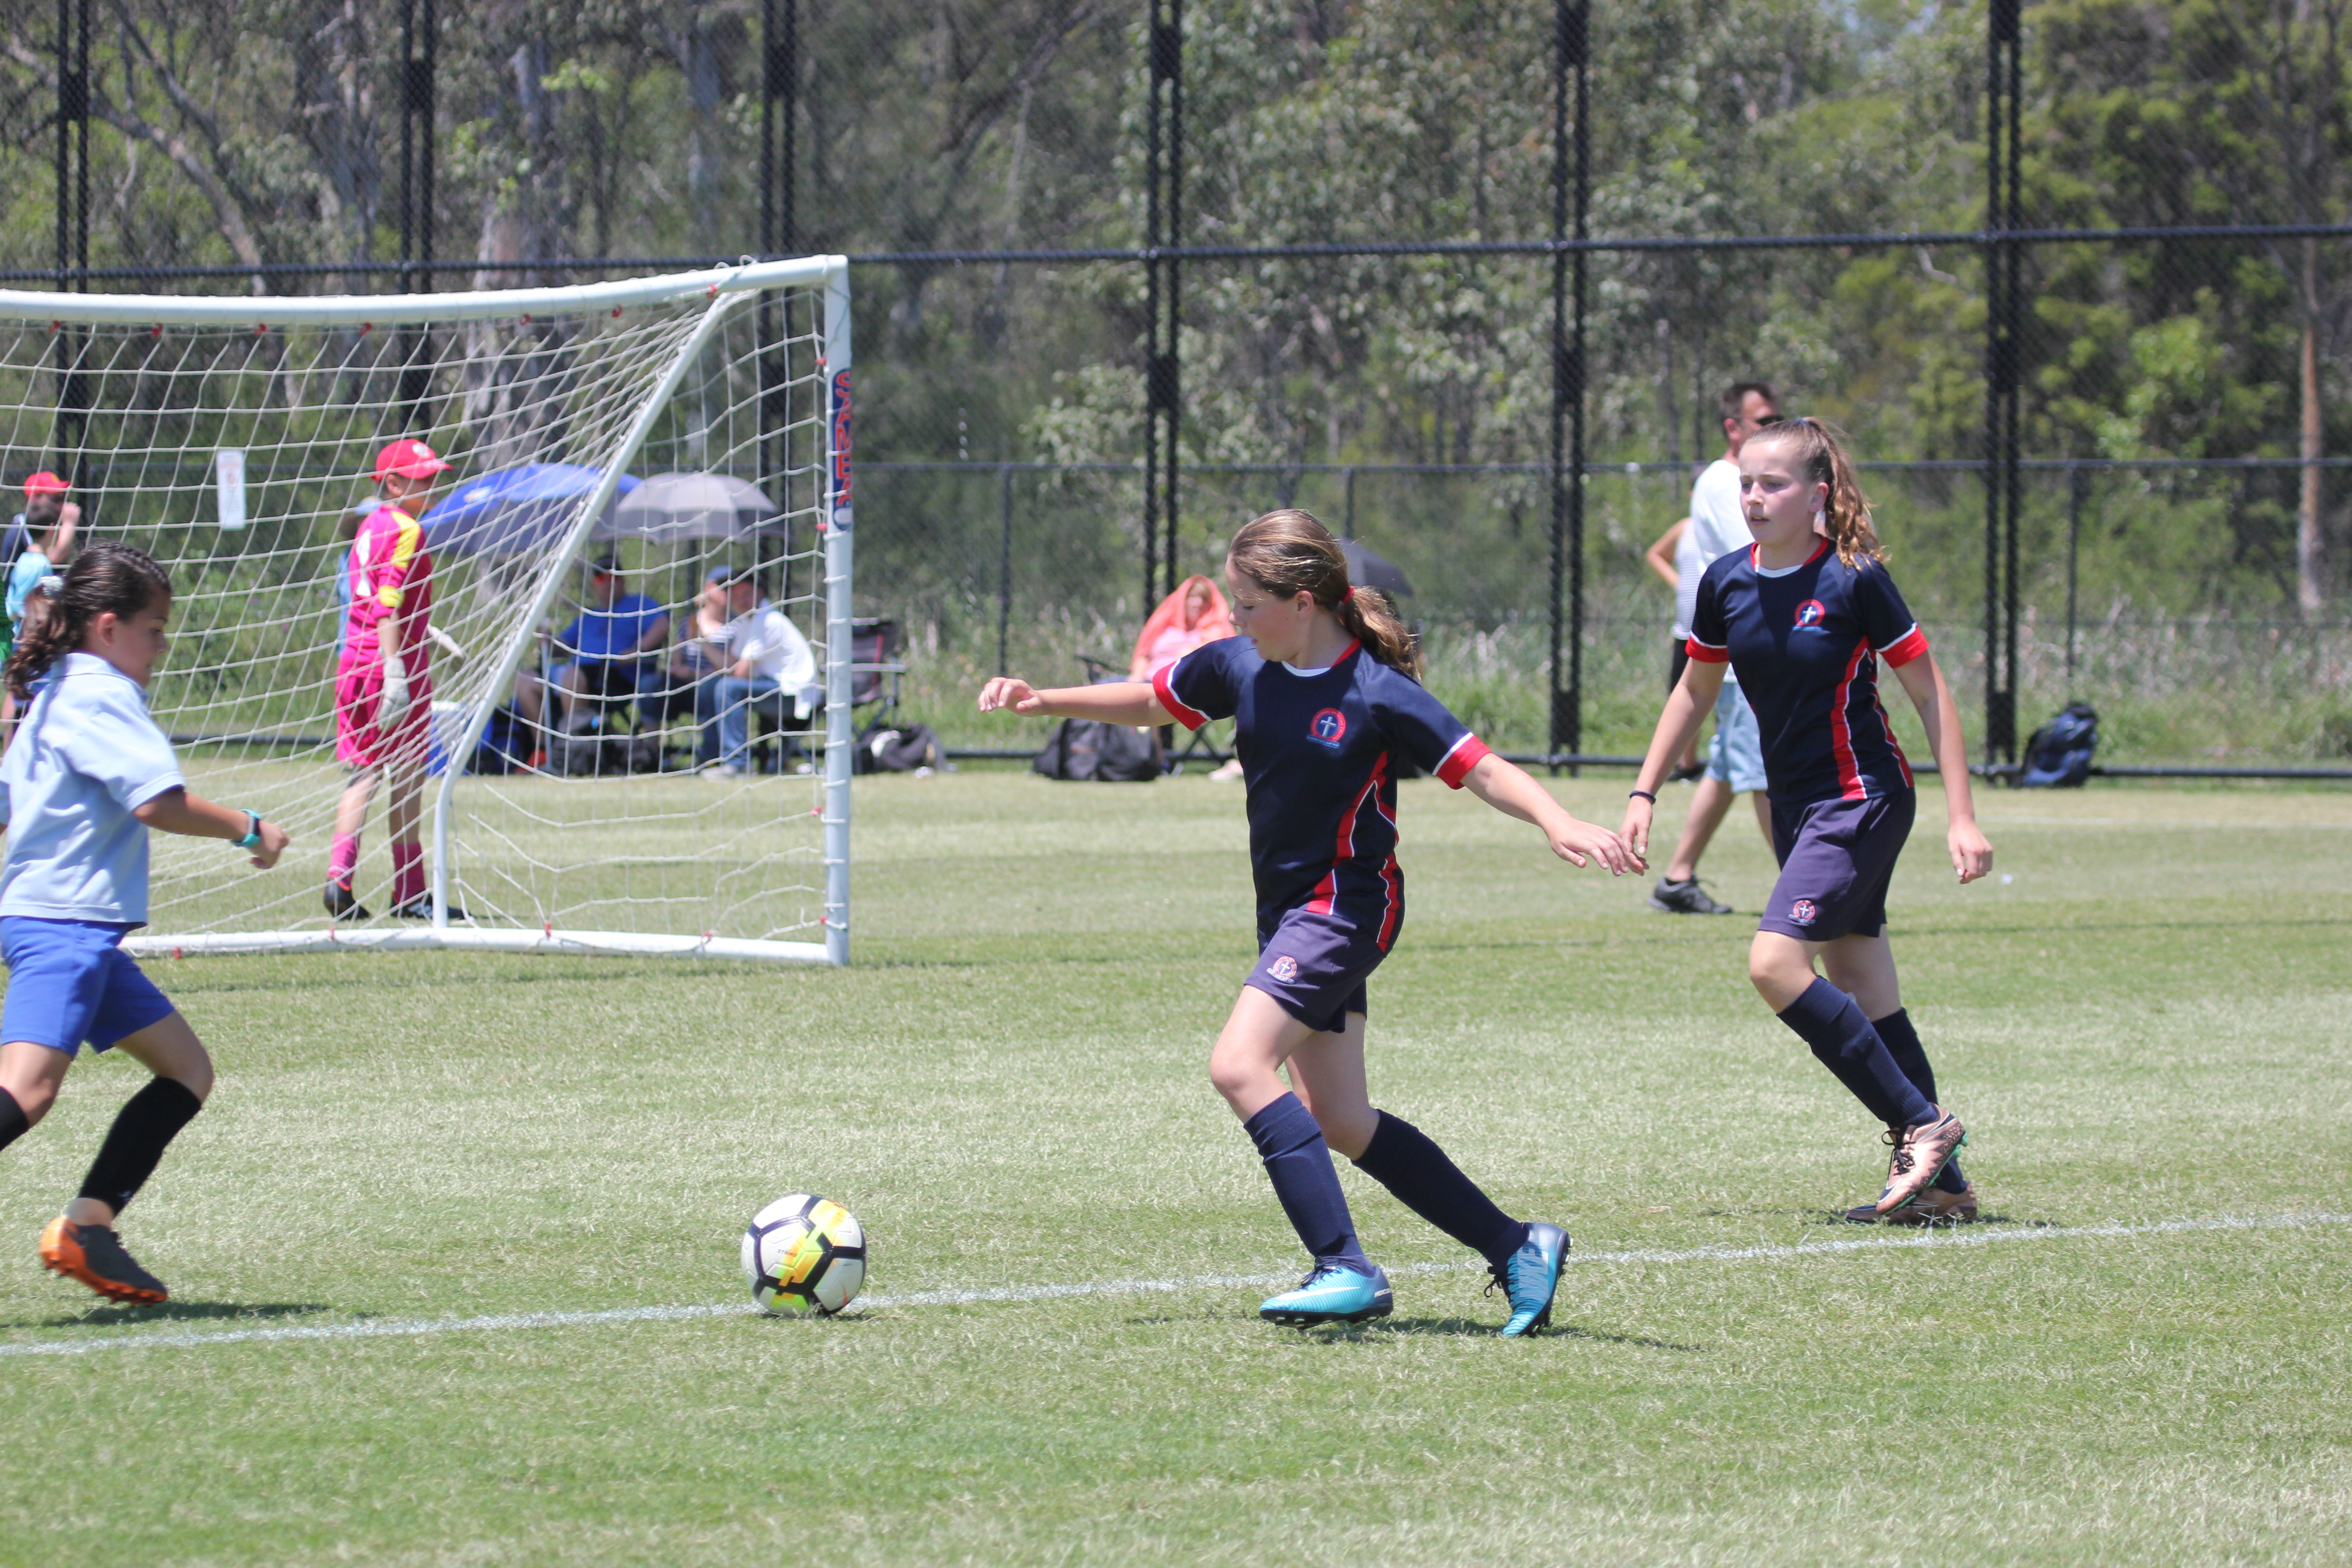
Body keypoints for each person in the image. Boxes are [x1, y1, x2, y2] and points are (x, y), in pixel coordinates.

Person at [978, 509, 1635, 1334]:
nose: (1231, 620)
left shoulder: (1375, 692)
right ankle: (1516, 1246)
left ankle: (1343, 1265)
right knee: (1340, 1120)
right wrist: (1043, 699)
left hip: (1346, 907)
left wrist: (1555, 820)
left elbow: (1478, 765)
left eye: (1245, 604)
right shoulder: (1241, 666)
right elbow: (1152, 699)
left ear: (1301, 600)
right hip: (1290, 914)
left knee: (1237, 1064)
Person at [1621, 418, 1993, 1224]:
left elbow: (1930, 694)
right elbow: (1692, 691)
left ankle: (1922, 1129)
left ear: (1815, 496)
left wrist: (1960, 817)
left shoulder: (1853, 579)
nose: (1754, 497)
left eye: (1774, 484)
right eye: (1745, 484)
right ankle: (1943, 1186)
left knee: (1773, 965)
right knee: (1862, 984)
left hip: (1860, 799)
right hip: (1794, 808)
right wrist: (1643, 791)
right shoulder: (1723, 581)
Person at [0, 542, 290, 1304]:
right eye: (153, 630)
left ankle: (87, 1227)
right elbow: (155, 800)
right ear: (105, 627)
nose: (161, 647)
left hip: (72, 925)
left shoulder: (56, 687)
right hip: (64, 925)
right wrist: (248, 827)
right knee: (26, 1094)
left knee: (187, 1071)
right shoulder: (96, 694)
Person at [1648, 382, 1782, 916]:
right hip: (1742, 661)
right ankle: (1812, 888)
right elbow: (1759, 557)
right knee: (1766, 777)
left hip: (1737, 660)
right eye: (1764, 420)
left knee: (1728, 768)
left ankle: (1677, 879)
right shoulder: (1728, 482)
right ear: (1734, 427)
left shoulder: (1744, 481)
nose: (1774, 429)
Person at [328, 438, 450, 921]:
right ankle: (411, 892)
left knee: (363, 773)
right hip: (391, 667)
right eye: (422, 478)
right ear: (393, 484)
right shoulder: (406, 529)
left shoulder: (368, 525)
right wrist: (398, 669)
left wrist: (423, 628)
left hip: (354, 662)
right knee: (407, 778)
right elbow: (388, 603)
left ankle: (339, 880)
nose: (433, 485)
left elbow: (373, 600)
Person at [696, 568, 818, 777]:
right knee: (711, 685)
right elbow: (731, 665)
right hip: (773, 687)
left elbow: (739, 674)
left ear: (760, 593)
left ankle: (737, 764)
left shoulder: (767, 620)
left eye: (746, 595)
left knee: (727, 688)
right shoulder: (749, 621)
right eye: (735, 597)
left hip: (793, 696)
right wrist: (702, 640)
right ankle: (709, 759)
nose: (740, 601)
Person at [1132, 573, 1244, 780]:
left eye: (1203, 599)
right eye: (1192, 597)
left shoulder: (1214, 629)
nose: (1196, 603)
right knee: (1131, 692)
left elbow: (1218, 660)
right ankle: (1143, 759)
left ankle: (1152, 760)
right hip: (1150, 681)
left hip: (1186, 687)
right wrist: (1135, 678)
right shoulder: (1165, 626)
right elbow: (1143, 655)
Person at [1, 474, 79, 744]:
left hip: (22, 633)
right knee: (22, 689)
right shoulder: (29, 552)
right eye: (55, 498)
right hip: (26, 635)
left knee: (20, 688)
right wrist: (69, 527)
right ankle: (12, 750)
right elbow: (22, 600)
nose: (61, 504)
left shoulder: (29, 555)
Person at [552, 555, 670, 732]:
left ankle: (574, 744)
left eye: (614, 577)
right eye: (601, 578)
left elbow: (662, 626)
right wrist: (546, 639)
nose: (608, 583)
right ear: (594, 584)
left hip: (615, 675)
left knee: (572, 675)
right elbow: (561, 647)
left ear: (623, 581)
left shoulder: (639, 604)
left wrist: (636, 651)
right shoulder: (588, 616)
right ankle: (542, 751)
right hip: (575, 673)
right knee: (527, 680)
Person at [1641, 516, 1704, 780]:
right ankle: (1688, 766)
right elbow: (1655, 554)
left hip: (1725, 631)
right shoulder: (1685, 526)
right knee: (1687, 695)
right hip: (1687, 631)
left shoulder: (1732, 520)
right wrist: (1679, 583)